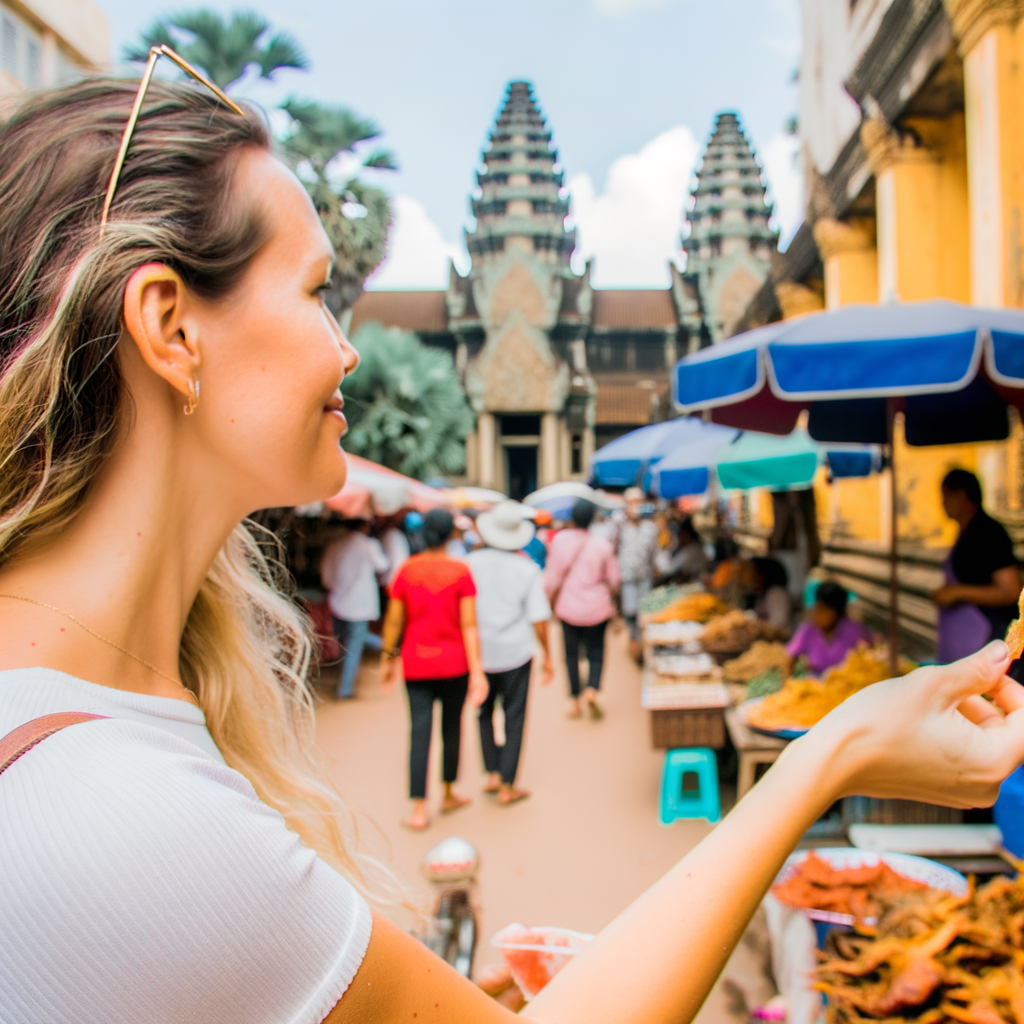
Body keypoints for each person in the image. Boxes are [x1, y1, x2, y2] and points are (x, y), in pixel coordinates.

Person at [4, 75, 1024, 1024]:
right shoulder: (110, 811)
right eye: (317, 290)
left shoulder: (113, 714)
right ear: (170, 327)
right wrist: (832, 754)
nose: (345, 344)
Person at [379, 508, 488, 830]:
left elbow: (394, 621)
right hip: (455, 665)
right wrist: (478, 670)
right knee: (451, 729)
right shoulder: (460, 571)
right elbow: (469, 625)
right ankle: (449, 792)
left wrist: (388, 659)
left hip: (416, 664)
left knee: (419, 731)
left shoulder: (406, 570)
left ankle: (418, 808)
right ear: (451, 534)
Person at [468, 501, 554, 804]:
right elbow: (539, 618)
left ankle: (492, 771)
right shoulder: (527, 569)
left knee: (484, 712)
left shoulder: (471, 563)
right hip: (516, 652)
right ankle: (507, 784)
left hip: (479, 652)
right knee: (514, 717)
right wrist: (548, 656)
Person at [934, 469, 1022, 663]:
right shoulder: (966, 533)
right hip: (963, 647)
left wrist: (958, 592)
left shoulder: (988, 533)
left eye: (946, 495)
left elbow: (1010, 590)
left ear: (962, 495)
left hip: (986, 641)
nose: (942, 503)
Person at [545, 499, 621, 719]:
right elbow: (615, 579)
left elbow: (551, 579)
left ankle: (575, 701)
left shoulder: (560, 541)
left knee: (570, 655)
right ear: (594, 519)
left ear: (572, 518)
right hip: (597, 608)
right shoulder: (602, 545)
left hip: (568, 608)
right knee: (596, 652)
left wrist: (550, 602)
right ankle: (592, 690)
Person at [319, 520, 389, 699]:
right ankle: (345, 689)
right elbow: (382, 565)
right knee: (353, 646)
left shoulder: (334, 545)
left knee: (345, 645)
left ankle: (345, 684)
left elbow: (325, 576)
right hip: (358, 606)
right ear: (364, 526)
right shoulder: (368, 545)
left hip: (337, 604)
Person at [786, 581, 872, 676]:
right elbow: (790, 658)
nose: (816, 614)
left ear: (836, 613)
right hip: (814, 684)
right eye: (817, 608)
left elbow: (868, 656)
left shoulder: (854, 630)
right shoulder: (808, 629)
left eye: (823, 610)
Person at [617, 486, 660, 662]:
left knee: (644, 612)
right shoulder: (620, 527)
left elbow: (655, 553)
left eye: (638, 502)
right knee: (630, 610)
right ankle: (633, 639)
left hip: (645, 576)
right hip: (627, 577)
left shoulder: (651, 528)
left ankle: (640, 644)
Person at [655, 516, 708, 583]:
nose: (680, 539)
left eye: (681, 536)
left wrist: (659, 572)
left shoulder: (690, 551)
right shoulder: (696, 548)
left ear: (686, 535)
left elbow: (671, 569)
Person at [751, 556, 792, 632]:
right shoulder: (761, 594)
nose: (752, 577)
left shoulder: (776, 593)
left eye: (756, 573)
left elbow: (778, 622)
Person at [380, 515, 410, 587]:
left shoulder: (388, 535)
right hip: (401, 578)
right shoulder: (400, 535)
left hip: (390, 581)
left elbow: (384, 564)